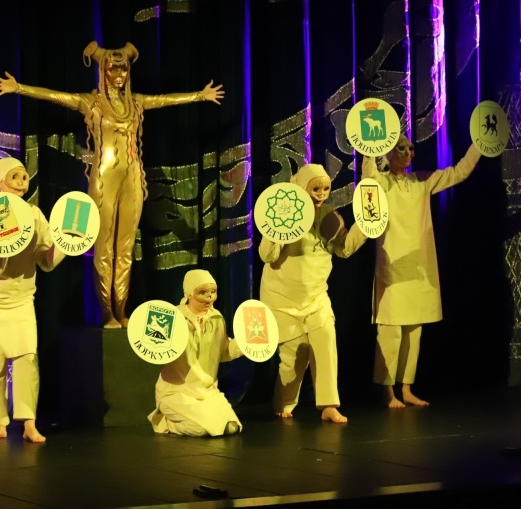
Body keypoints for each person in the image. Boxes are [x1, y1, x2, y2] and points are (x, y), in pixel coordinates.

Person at [0, 41, 224, 329]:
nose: (119, 75)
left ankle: (122, 311)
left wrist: (200, 95)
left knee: (125, 248)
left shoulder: (136, 102)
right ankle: (106, 313)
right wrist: (19, 88)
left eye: (123, 70)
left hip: (132, 177)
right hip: (104, 179)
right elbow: (56, 96)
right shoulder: (92, 103)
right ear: (103, 71)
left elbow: (165, 100)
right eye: (113, 70)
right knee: (104, 249)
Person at [362, 135, 482, 408]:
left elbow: (458, 173)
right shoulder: (381, 183)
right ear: (388, 153)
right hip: (393, 265)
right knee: (391, 332)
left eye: (410, 148)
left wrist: (479, 144)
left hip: (419, 265)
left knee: (414, 331)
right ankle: (387, 391)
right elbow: (368, 179)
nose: (407, 153)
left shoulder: (421, 181)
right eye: (401, 149)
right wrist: (369, 150)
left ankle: (406, 388)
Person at [0, 157, 66, 443]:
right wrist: (6, 242)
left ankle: (29, 423)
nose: (21, 182)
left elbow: (46, 261)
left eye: (23, 177)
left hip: (20, 297)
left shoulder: (34, 214)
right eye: (14, 177)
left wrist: (65, 243)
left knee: (27, 357)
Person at [258, 164, 367, 423]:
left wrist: (366, 225)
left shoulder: (330, 217)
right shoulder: (284, 211)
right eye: (315, 188)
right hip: (282, 299)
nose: (321, 194)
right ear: (302, 188)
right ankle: (284, 402)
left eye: (326, 188)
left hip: (316, 297)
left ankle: (328, 405)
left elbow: (344, 249)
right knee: (294, 356)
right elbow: (267, 255)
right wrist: (277, 229)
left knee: (326, 342)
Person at [148, 269, 243, 437]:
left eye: (213, 291)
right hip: (177, 392)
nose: (209, 296)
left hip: (207, 392)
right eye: (203, 292)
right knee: (199, 430)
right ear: (189, 293)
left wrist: (246, 343)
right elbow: (157, 346)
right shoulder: (174, 316)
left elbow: (223, 352)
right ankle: (167, 422)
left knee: (231, 427)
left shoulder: (216, 318)